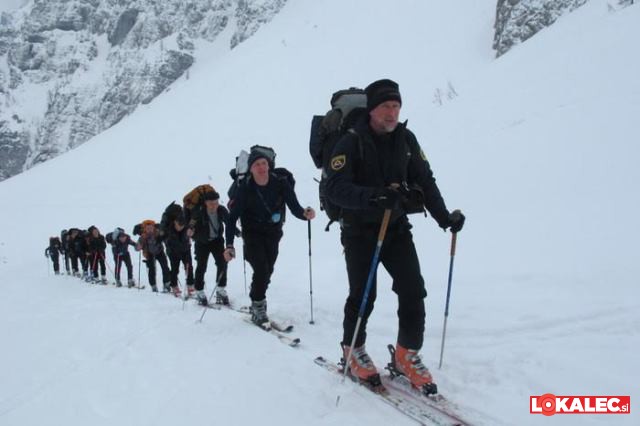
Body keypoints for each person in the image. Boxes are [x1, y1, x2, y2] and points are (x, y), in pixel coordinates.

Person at [325, 79, 465, 390]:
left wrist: (445, 218)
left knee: (413, 289)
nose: (392, 112)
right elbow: (333, 187)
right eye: (386, 106)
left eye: (396, 106)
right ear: (372, 109)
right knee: (364, 295)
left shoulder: (407, 139)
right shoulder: (351, 141)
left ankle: (406, 354)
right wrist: (373, 197)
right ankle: (353, 349)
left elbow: (425, 181)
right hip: (359, 231)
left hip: (397, 228)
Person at [224, 151, 316, 325]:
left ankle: (256, 295)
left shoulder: (280, 183)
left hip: (273, 232)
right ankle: (258, 305)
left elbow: (294, 206)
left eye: (263, 163)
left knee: (268, 270)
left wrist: (305, 214)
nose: (261, 167)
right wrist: (229, 245)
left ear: (268, 165)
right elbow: (231, 219)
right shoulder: (245, 189)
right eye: (256, 164)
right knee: (261, 269)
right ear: (250, 169)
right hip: (252, 233)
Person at [190, 191, 229, 305]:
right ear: (206, 203)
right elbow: (191, 223)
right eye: (211, 203)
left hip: (217, 241)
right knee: (201, 265)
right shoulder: (199, 211)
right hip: (202, 242)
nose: (214, 205)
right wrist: (190, 230)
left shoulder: (221, 210)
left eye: (216, 202)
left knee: (222, 262)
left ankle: (220, 289)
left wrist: (237, 232)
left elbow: (228, 222)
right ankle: (199, 291)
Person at [164, 213, 194, 298]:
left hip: (185, 250)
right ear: (175, 222)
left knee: (189, 267)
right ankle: (174, 286)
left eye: (182, 226)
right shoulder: (169, 230)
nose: (180, 228)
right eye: (178, 225)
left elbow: (191, 235)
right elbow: (166, 241)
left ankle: (190, 285)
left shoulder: (186, 228)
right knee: (175, 269)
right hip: (173, 252)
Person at [135, 220, 170, 292]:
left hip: (160, 252)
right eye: (147, 228)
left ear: (153, 227)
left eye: (151, 228)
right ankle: (153, 286)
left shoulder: (158, 233)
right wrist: (139, 246)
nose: (149, 230)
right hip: (149, 254)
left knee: (165, 267)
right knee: (151, 270)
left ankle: (166, 285)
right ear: (144, 229)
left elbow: (165, 239)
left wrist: (168, 244)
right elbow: (137, 247)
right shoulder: (143, 236)